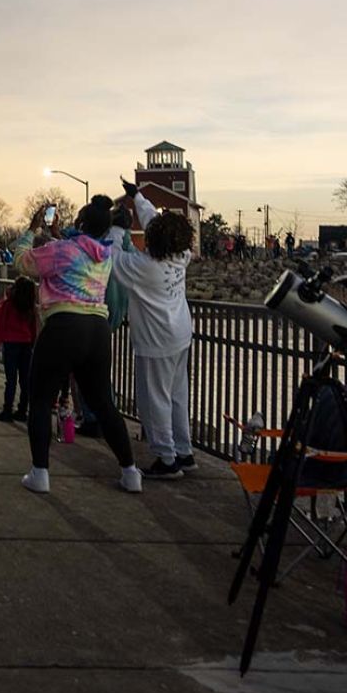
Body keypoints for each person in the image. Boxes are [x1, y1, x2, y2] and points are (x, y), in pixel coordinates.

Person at [14, 196, 142, 495]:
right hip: (97, 331)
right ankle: (130, 471)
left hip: (62, 326)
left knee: (41, 398)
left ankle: (40, 473)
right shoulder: (104, 254)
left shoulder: (61, 251)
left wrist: (31, 231)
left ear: (81, 224)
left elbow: (22, 262)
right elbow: (77, 251)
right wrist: (59, 234)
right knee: (103, 403)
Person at [108, 178, 195, 479]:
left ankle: (166, 459)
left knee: (154, 399)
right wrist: (138, 197)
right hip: (181, 335)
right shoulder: (181, 256)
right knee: (177, 396)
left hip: (156, 342)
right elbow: (156, 224)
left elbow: (110, 257)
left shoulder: (144, 268)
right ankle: (184, 451)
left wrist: (119, 226)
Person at [0, 276, 37, 422]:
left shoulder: (8, 303)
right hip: (26, 343)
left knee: (11, 380)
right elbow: (33, 327)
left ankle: (7, 410)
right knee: (25, 380)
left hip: (10, 343)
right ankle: (23, 410)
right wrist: (33, 342)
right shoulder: (30, 306)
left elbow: (0, 324)